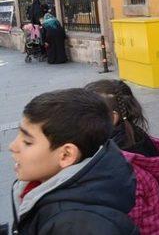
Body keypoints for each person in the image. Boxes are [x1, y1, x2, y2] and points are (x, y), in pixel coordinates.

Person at [9, 89, 137, 234]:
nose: (12, 146)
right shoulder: (38, 185)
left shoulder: (76, 226)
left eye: (27, 142)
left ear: (66, 155)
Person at [85, 80, 159, 235]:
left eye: (85, 114)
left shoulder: (123, 172)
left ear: (112, 118)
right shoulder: (127, 140)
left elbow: (120, 225)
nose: (78, 121)